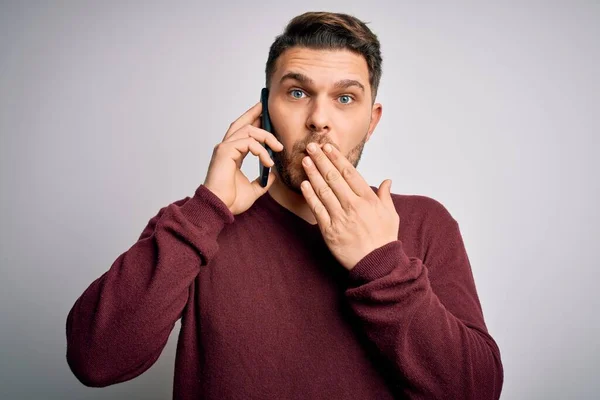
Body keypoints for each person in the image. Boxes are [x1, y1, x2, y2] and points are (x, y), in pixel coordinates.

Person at [66, 11, 503, 400]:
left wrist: (380, 263)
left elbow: (476, 390)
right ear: (265, 110)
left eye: (345, 98)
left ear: (372, 120)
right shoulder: (198, 222)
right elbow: (95, 360)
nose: (319, 118)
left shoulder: (425, 224)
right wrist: (208, 208)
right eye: (297, 93)